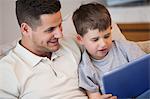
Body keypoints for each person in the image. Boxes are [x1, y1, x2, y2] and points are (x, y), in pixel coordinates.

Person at [0, 0, 88, 98]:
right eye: (50, 29)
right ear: (26, 29)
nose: (60, 34)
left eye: (60, 25)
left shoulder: (73, 43)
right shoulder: (7, 71)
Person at [72, 2, 146, 99]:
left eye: (107, 36)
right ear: (80, 39)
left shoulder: (125, 48)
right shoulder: (86, 69)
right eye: (95, 39)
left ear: (111, 29)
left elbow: (145, 67)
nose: (103, 44)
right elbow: (94, 95)